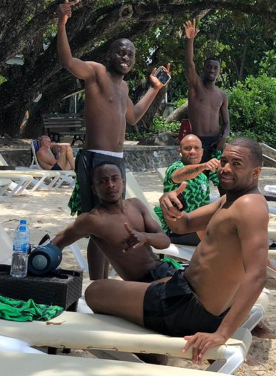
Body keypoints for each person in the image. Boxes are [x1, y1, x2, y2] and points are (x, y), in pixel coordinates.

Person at [85, 138, 269, 362]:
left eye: (236, 164)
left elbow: (257, 275)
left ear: (256, 172)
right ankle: (154, 353)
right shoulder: (229, 200)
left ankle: (154, 357)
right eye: (223, 161)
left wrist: (222, 334)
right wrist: (167, 202)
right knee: (148, 283)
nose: (226, 169)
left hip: (189, 310)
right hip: (184, 292)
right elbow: (183, 224)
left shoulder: (250, 206)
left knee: (94, 292)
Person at [57, 0, 170, 280]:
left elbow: (133, 117)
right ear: (110, 55)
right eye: (121, 52)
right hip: (96, 157)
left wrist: (154, 89)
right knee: (97, 222)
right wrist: (61, 23)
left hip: (117, 161)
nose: (126, 57)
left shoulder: (125, 87)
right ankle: (98, 283)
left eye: (130, 55)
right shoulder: (96, 72)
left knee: (114, 221)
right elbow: (68, 62)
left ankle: (110, 281)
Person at [51, 162, 174, 283]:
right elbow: (58, 241)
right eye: (102, 181)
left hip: (163, 270)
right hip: (143, 286)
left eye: (114, 179)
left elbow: (165, 242)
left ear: (123, 183)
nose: (110, 185)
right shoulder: (93, 219)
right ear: (94, 189)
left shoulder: (136, 205)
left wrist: (145, 237)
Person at [154, 134, 219, 246]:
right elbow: (180, 174)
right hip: (176, 230)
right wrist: (203, 166)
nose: (192, 152)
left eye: (196, 148)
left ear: (202, 151)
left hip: (195, 228)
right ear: (180, 151)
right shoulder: (174, 168)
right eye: (187, 148)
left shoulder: (202, 177)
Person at [183, 19, 229, 165]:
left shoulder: (222, 95)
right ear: (204, 68)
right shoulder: (196, 86)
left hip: (216, 142)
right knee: (196, 181)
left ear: (219, 71)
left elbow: (226, 122)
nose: (212, 70)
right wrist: (190, 40)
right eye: (209, 67)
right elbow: (189, 64)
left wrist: (224, 137)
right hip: (198, 141)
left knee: (219, 181)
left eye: (215, 68)